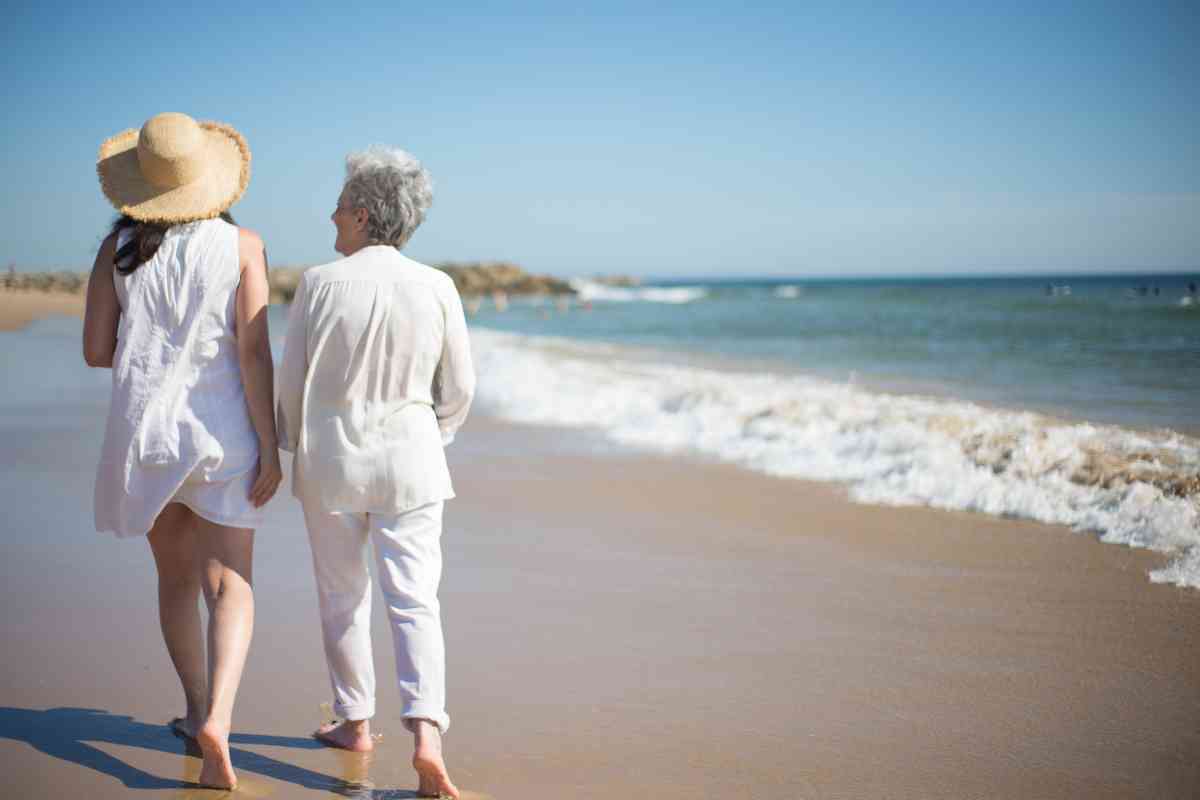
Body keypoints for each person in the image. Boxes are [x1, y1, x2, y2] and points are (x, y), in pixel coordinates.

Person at [84, 112, 281, 789]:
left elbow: (94, 351)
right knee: (230, 585)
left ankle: (194, 707)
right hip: (222, 429)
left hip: (147, 434)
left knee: (174, 581)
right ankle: (219, 720)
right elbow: (253, 350)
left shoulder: (118, 252)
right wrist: (272, 446)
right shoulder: (243, 245)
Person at [277, 146, 474, 799]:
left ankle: (355, 722)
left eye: (338, 208)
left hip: (331, 457)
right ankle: (427, 739)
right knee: (415, 599)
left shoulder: (319, 283)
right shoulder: (438, 285)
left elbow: (291, 382)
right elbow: (461, 388)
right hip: (413, 459)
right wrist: (432, 435)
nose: (331, 218)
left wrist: (286, 445)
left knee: (343, 597)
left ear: (361, 214)